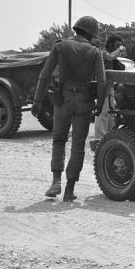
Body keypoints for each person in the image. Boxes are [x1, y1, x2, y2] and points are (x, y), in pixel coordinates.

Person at [32, 16, 106, 202]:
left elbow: (45, 75)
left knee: (58, 140)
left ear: (76, 29)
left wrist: (37, 100)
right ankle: (69, 189)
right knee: (78, 146)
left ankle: (56, 180)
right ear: (91, 33)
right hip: (83, 101)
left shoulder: (60, 46)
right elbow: (102, 81)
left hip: (62, 99)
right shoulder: (95, 51)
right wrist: (100, 104)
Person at [94, 33, 126, 140]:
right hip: (101, 89)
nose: (119, 48)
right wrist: (120, 49)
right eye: (117, 45)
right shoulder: (102, 53)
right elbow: (111, 57)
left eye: (120, 45)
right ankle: (100, 140)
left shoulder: (113, 57)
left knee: (110, 115)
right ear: (111, 45)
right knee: (102, 114)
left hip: (110, 89)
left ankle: (109, 139)